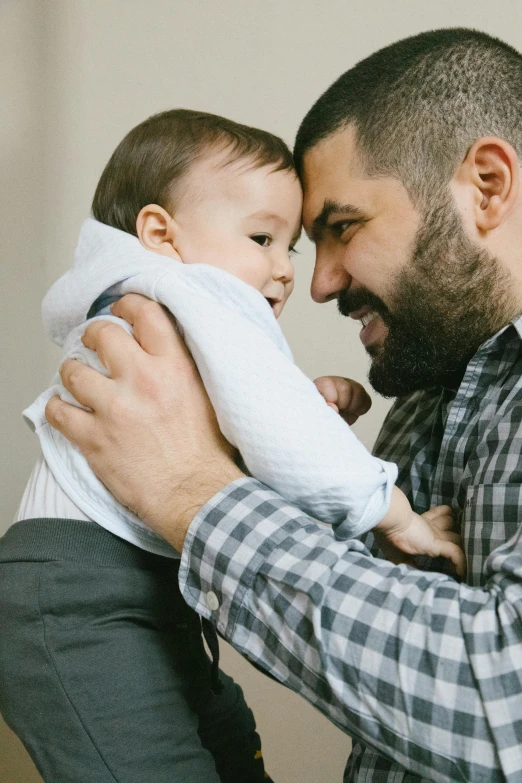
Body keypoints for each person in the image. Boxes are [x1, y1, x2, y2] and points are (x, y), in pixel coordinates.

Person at [28, 26, 522, 782]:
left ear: (487, 185)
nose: (315, 284)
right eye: (283, 240)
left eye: (342, 228)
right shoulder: (432, 388)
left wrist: (193, 489)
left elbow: (502, 708)